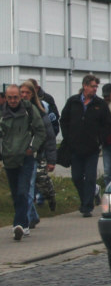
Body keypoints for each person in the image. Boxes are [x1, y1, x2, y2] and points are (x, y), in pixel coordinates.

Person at [60, 74, 111, 217]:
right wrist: (68, 137)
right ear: (85, 86)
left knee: (89, 178)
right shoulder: (73, 102)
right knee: (76, 177)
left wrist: (99, 139)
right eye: (93, 86)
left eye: (96, 87)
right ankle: (87, 197)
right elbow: (63, 120)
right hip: (75, 147)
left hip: (92, 149)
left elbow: (107, 124)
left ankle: (87, 206)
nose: (95, 89)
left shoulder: (100, 104)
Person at [2, 84, 47, 240]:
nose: (13, 100)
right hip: (9, 158)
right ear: (6, 98)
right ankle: (25, 224)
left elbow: (41, 131)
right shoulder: (2, 113)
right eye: (10, 98)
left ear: (20, 97)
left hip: (26, 158)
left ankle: (18, 225)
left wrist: (32, 148)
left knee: (23, 191)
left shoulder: (29, 110)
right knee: (16, 194)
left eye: (16, 97)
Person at [19, 81, 58, 216]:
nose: (24, 95)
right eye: (22, 92)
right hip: (18, 154)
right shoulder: (15, 110)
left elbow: (49, 136)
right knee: (25, 187)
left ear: (32, 94)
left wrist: (52, 160)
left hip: (36, 153)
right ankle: (31, 217)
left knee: (38, 182)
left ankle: (49, 196)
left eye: (27, 93)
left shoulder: (40, 111)